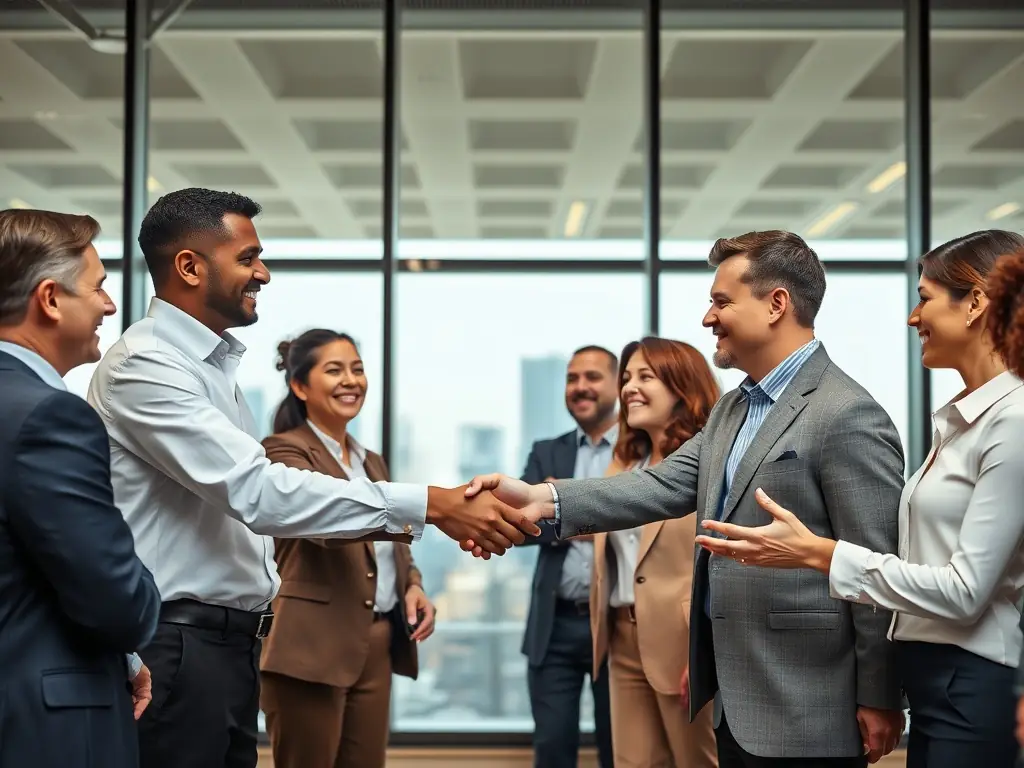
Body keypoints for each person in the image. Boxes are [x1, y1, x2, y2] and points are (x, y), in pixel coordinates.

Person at [85, 188, 538, 768]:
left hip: (224, 646)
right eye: (247, 258)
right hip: (179, 644)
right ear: (190, 267)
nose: (263, 273)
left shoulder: (210, 368)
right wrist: (435, 504)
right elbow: (258, 492)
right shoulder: (146, 364)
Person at [463, 230, 906, 767]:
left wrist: (880, 694)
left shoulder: (846, 413)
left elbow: (876, 567)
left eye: (721, 301)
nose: (707, 318)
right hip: (734, 702)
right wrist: (543, 497)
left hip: (808, 701)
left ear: (776, 305)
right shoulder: (732, 411)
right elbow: (661, 485)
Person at [694, 230, 1024, 768]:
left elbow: (965, 592)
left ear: (976, 304)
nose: (913, 317)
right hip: (937, 676)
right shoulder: (965, 420)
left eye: (925, 297)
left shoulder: (1011, 421)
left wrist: (820, 553)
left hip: (972, 675)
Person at [0, 208, 161, 768]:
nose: (109, 306)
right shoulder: (49, 416)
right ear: (49, 299)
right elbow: (116, 600)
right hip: (46, 727)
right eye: (98, 288)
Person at [259, 330, 436, 768]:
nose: (351, 380)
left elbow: (392, 546)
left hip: (375, 640)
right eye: (334, 370)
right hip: (310, 644)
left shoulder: (370, 459)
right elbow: (324, 523)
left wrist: (413, 584)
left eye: (357, 369)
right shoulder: (283, 450)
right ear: (300, 386)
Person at [591, 337, 718, 768]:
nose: (628, 388)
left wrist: (704, 653)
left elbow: (724, 565)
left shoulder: (710, 462)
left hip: (682, 643)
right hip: (622, 637)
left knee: (697, 762)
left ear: (683, 387)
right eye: (626, 378)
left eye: (645, 376)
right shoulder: (624, 463)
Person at [519, 344, 618, 768]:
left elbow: (645, 528)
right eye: (572, 378)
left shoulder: (639, 452)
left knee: (622, 750)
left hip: (618, 623)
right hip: (555, 624)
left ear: (617, 383)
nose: (580, 387)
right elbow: (517, 525)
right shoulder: (547, 451)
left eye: (592, 377)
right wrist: (590, 521)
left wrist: (562, 509)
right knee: (553, 750)